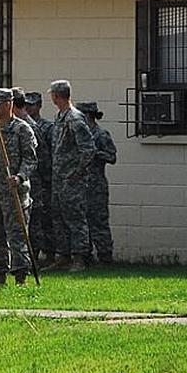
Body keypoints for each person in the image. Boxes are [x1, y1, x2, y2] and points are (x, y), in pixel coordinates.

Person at [0, 88, 38, 286]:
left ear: (7, 104)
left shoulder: (22, 129)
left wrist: (20, 177)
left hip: (14, 191)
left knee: (17, 235)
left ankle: (21, 276)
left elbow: (30, 159)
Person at [43, 80, 96, 272]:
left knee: (75, 219)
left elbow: (88, 149)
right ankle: (63, 256)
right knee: (58, 218)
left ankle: (80, 257)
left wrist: (77, 173)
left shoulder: (74, 118)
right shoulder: (60, 117)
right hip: (59, 179)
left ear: (57, 96)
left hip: (71, 181)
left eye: (52, 95)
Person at [14, 88, 53, 264]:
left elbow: (42, 157)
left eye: (32, 105)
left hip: (34, 179)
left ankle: (35, 256)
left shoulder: (31, 127)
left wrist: (45, 181)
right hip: (23, 179)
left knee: (35, 219)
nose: (29, 108)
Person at [76, 101, 118, 265]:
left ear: (88, 116)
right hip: (81, 185)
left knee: (99, 222)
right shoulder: (81, 135)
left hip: (96, 186)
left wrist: (96, 153)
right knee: (83, 221)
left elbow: (112, 157)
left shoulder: (101, 135)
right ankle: (86, 256)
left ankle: (105, 256)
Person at [25, 90, 56, 263]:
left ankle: (50, 254)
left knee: (45, 218)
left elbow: (49, 154)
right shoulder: (23, 124)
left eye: (33, 105)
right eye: (27, 105)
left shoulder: (47, 127)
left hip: (43, 179)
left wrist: (47, 177)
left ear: (39, 106)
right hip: (29, 178)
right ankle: (33, 254)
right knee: (32, 218)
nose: (30, 108)